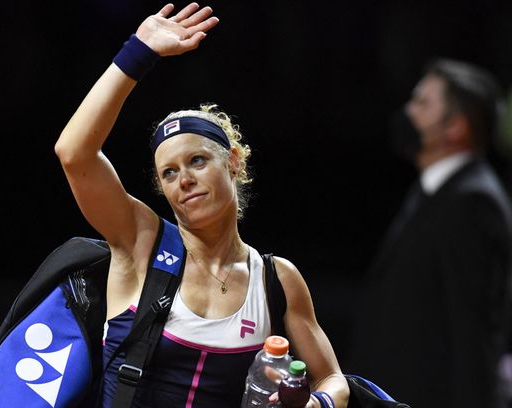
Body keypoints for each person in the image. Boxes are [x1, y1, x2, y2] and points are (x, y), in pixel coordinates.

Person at [55, 3, 349, 407]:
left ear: (233, 162)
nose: (185, 180)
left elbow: (332, 378)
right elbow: (74, 154)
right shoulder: (141, 242)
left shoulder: (276, 280)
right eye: (169, 173)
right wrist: (136, 53)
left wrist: (320, 403)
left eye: (196, 161)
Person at [348, 58, 512, 407]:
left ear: (455, 126)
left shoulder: (473, 203)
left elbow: (473, 337)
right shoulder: (436, 188)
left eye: (422, 103)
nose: (408, 112)